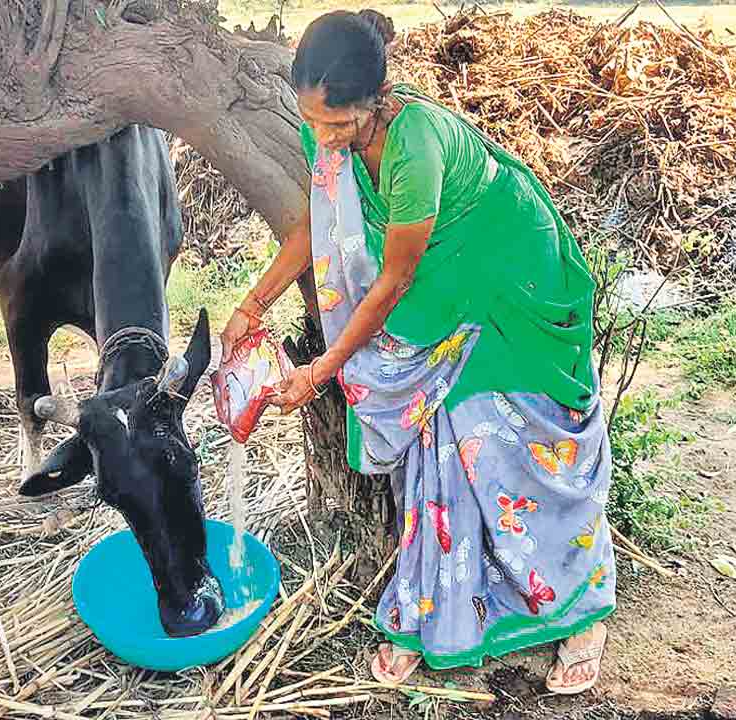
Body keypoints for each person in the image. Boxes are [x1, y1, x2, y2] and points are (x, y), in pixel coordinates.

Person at [219, 9, 614, 695]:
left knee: (517, 441)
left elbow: (394, 282)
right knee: (445, 439)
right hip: (439, 292)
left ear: (373, 101)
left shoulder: (416, 147)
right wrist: (252, 305)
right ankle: (442, 610)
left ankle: (581, 610)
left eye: (334, 124)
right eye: (311, 121)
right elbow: (313, 225)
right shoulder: (335, 140)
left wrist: (321, 369)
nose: (323, 138)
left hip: (506, 280)